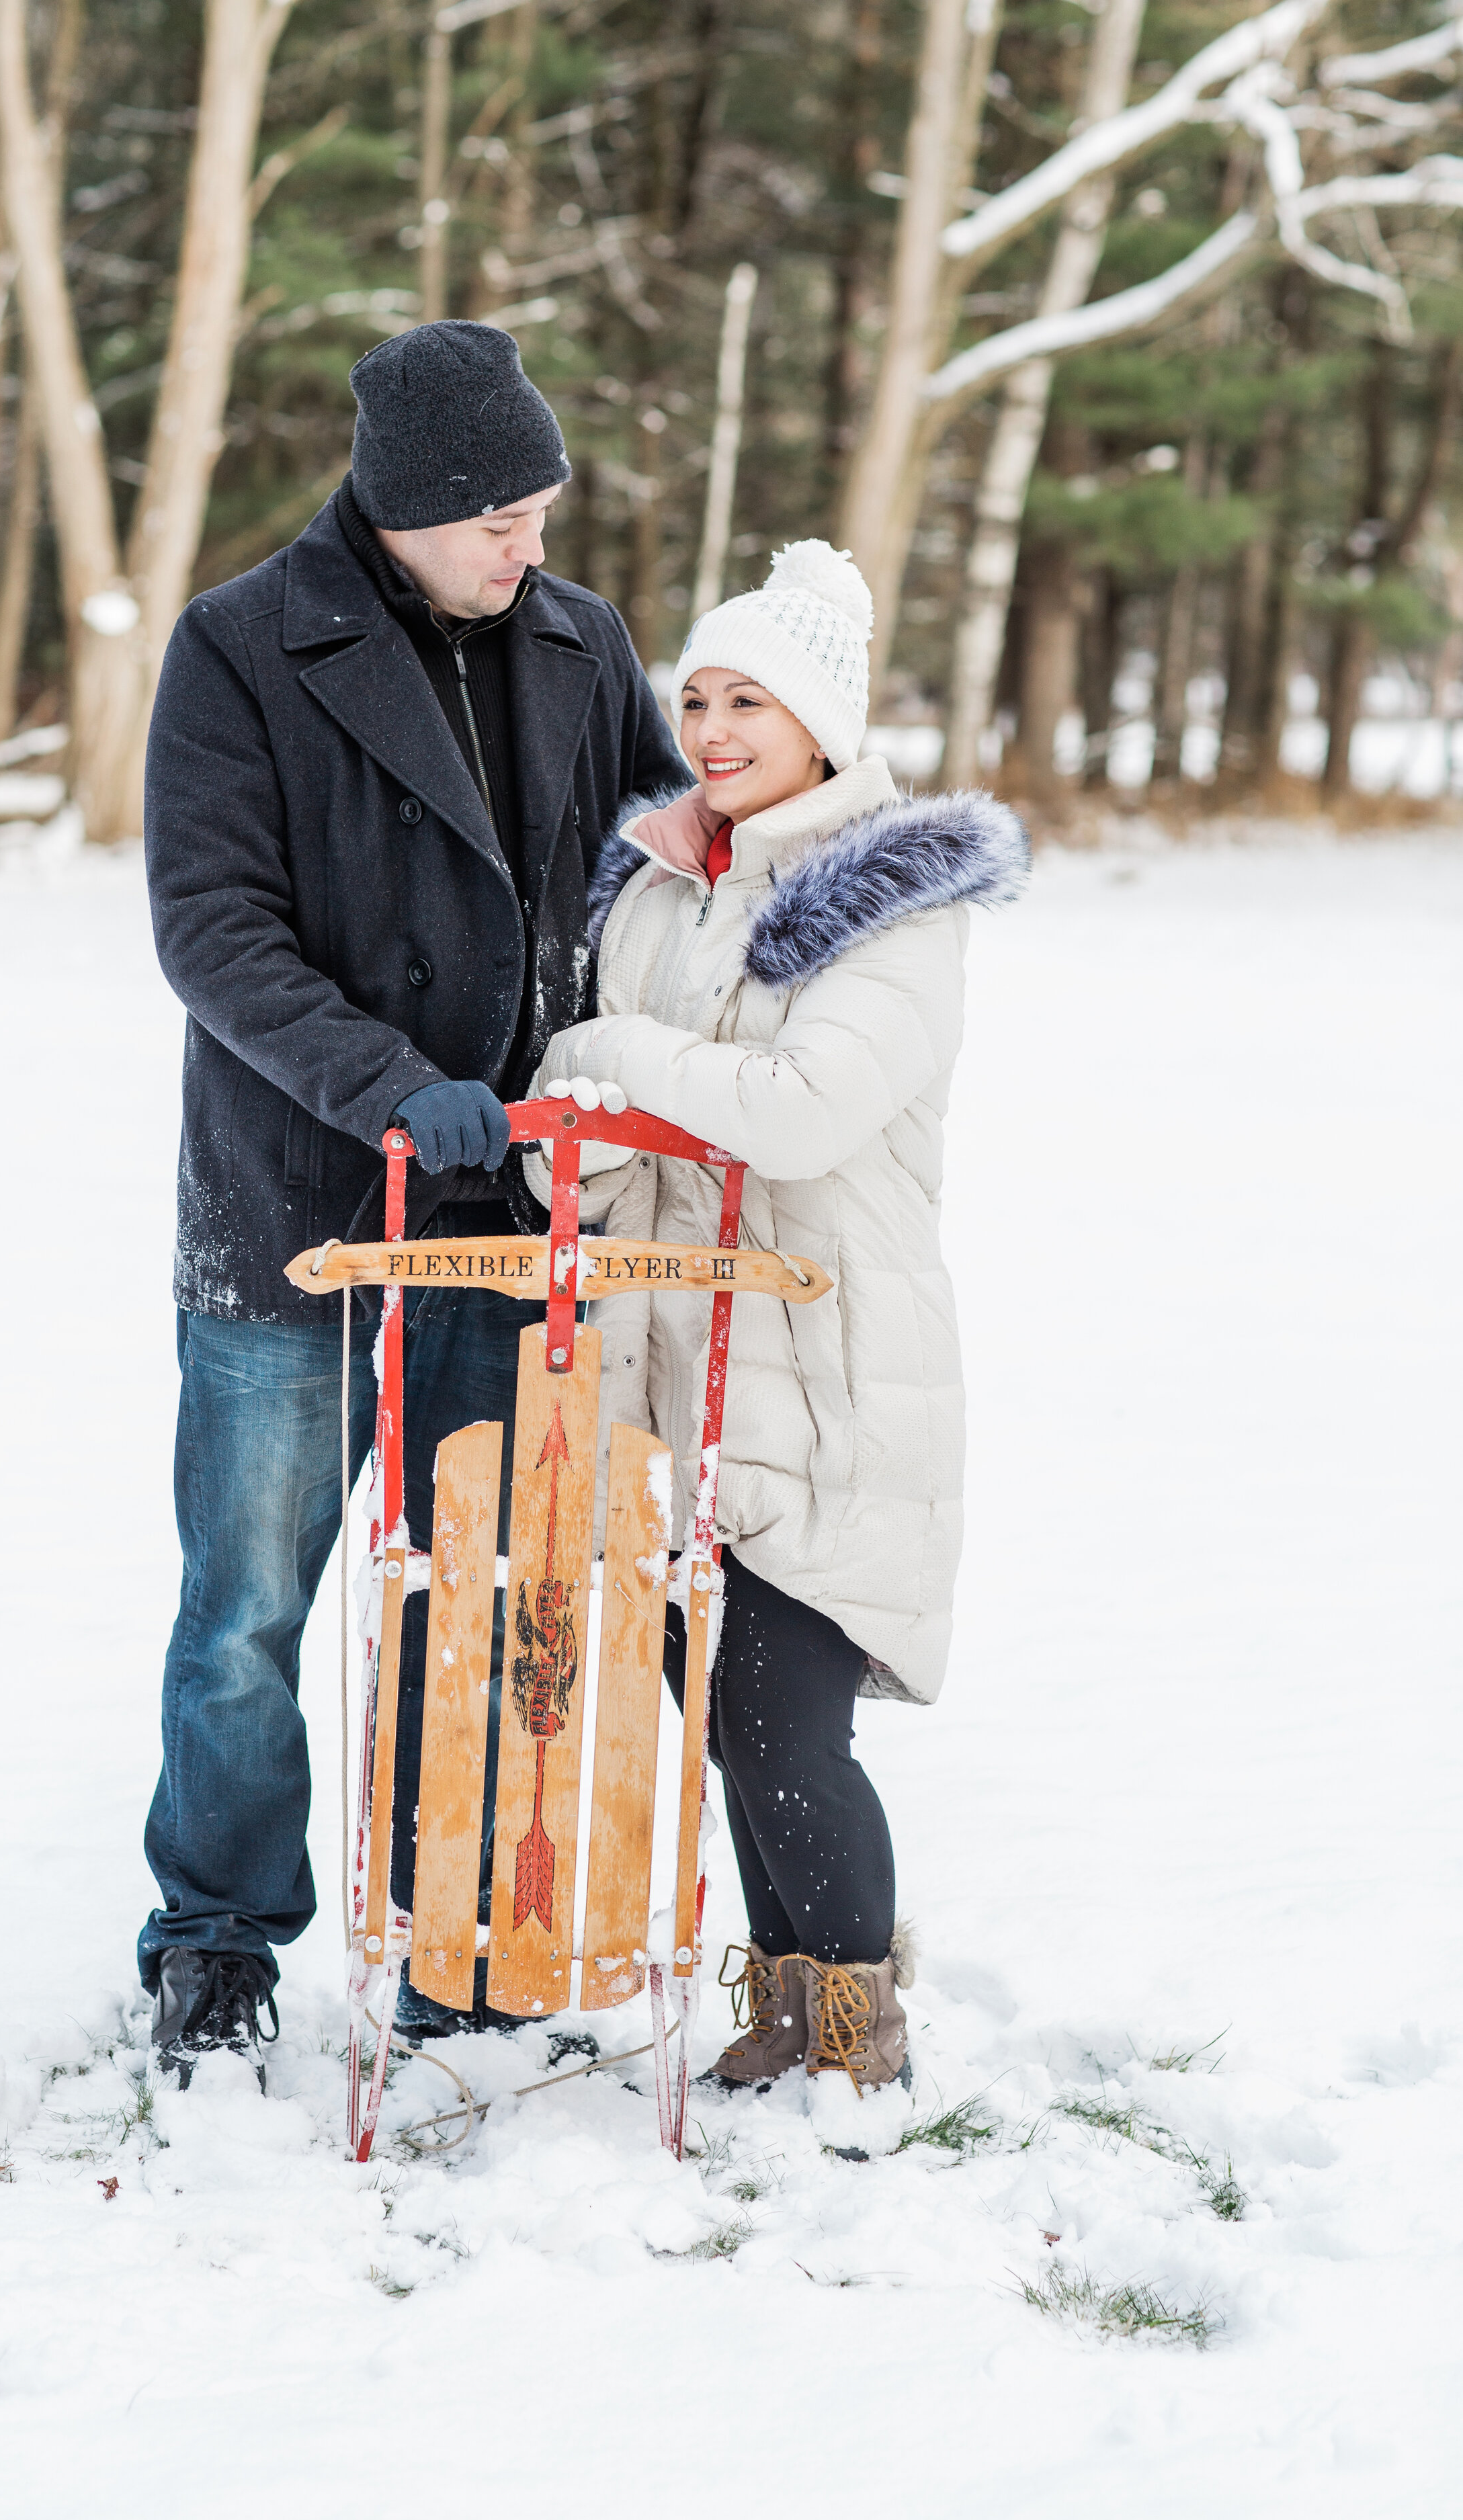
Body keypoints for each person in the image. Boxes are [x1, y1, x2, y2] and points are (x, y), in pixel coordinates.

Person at [139, 321, 686, 2087]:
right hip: (300, 1200)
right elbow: (212, 930)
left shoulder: (580, 637)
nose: (524, 542)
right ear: (396, 504)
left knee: (481, 1577)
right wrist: (384, 1078)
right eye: (491, 518)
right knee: (248, 1601)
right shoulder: (240, 646)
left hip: (506, 1199)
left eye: (539, 507)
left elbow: (649, 863)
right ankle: (216, 1936)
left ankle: (456, 1920)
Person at [530, 540, 1027, 2094]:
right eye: (695, 699)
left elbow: (805, 1111)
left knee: (780, 1710)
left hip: (821, 1353)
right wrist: (587, 1127)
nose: (715, 729)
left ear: (825, 719)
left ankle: (854, 2040)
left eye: (752, 698)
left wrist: (608, 1048)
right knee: (727, 1711)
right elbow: (637, 1126)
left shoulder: (886, 897)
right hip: (677, 1361)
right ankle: (788, 2010)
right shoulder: (665, 889)